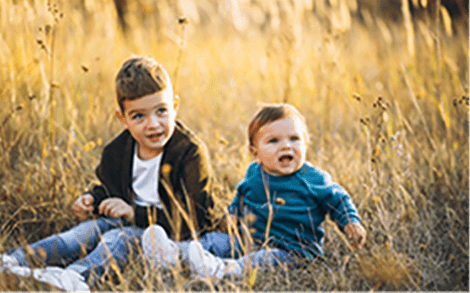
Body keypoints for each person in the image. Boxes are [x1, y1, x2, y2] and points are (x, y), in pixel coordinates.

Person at [0, 56, 215, 290]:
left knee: (117, 240)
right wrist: (93, 199)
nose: (152, 124)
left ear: (174, 106)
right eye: (139, 116)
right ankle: (9, 262)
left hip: (162, 237)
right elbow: (111, 189)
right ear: (123, 118)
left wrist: (134, 214)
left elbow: (193, 219)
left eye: (161, 111)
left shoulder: (190, 153)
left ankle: (74, 277)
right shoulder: (118, 151)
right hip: (125, 219)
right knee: (80, 233)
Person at [142, 103, 367, 280]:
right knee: (215, 240)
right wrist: (232, 214)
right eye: (273, 141)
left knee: (263, 260)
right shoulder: (254, 173)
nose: (286, 146)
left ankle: (224, 270)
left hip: (292, 250)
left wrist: (350, 222)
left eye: (294, 139)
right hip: (252, 238)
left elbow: (338, 199)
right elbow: (241, 196)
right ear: (255, 153)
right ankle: (173, 253)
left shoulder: (312, 178)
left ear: (306, 144)